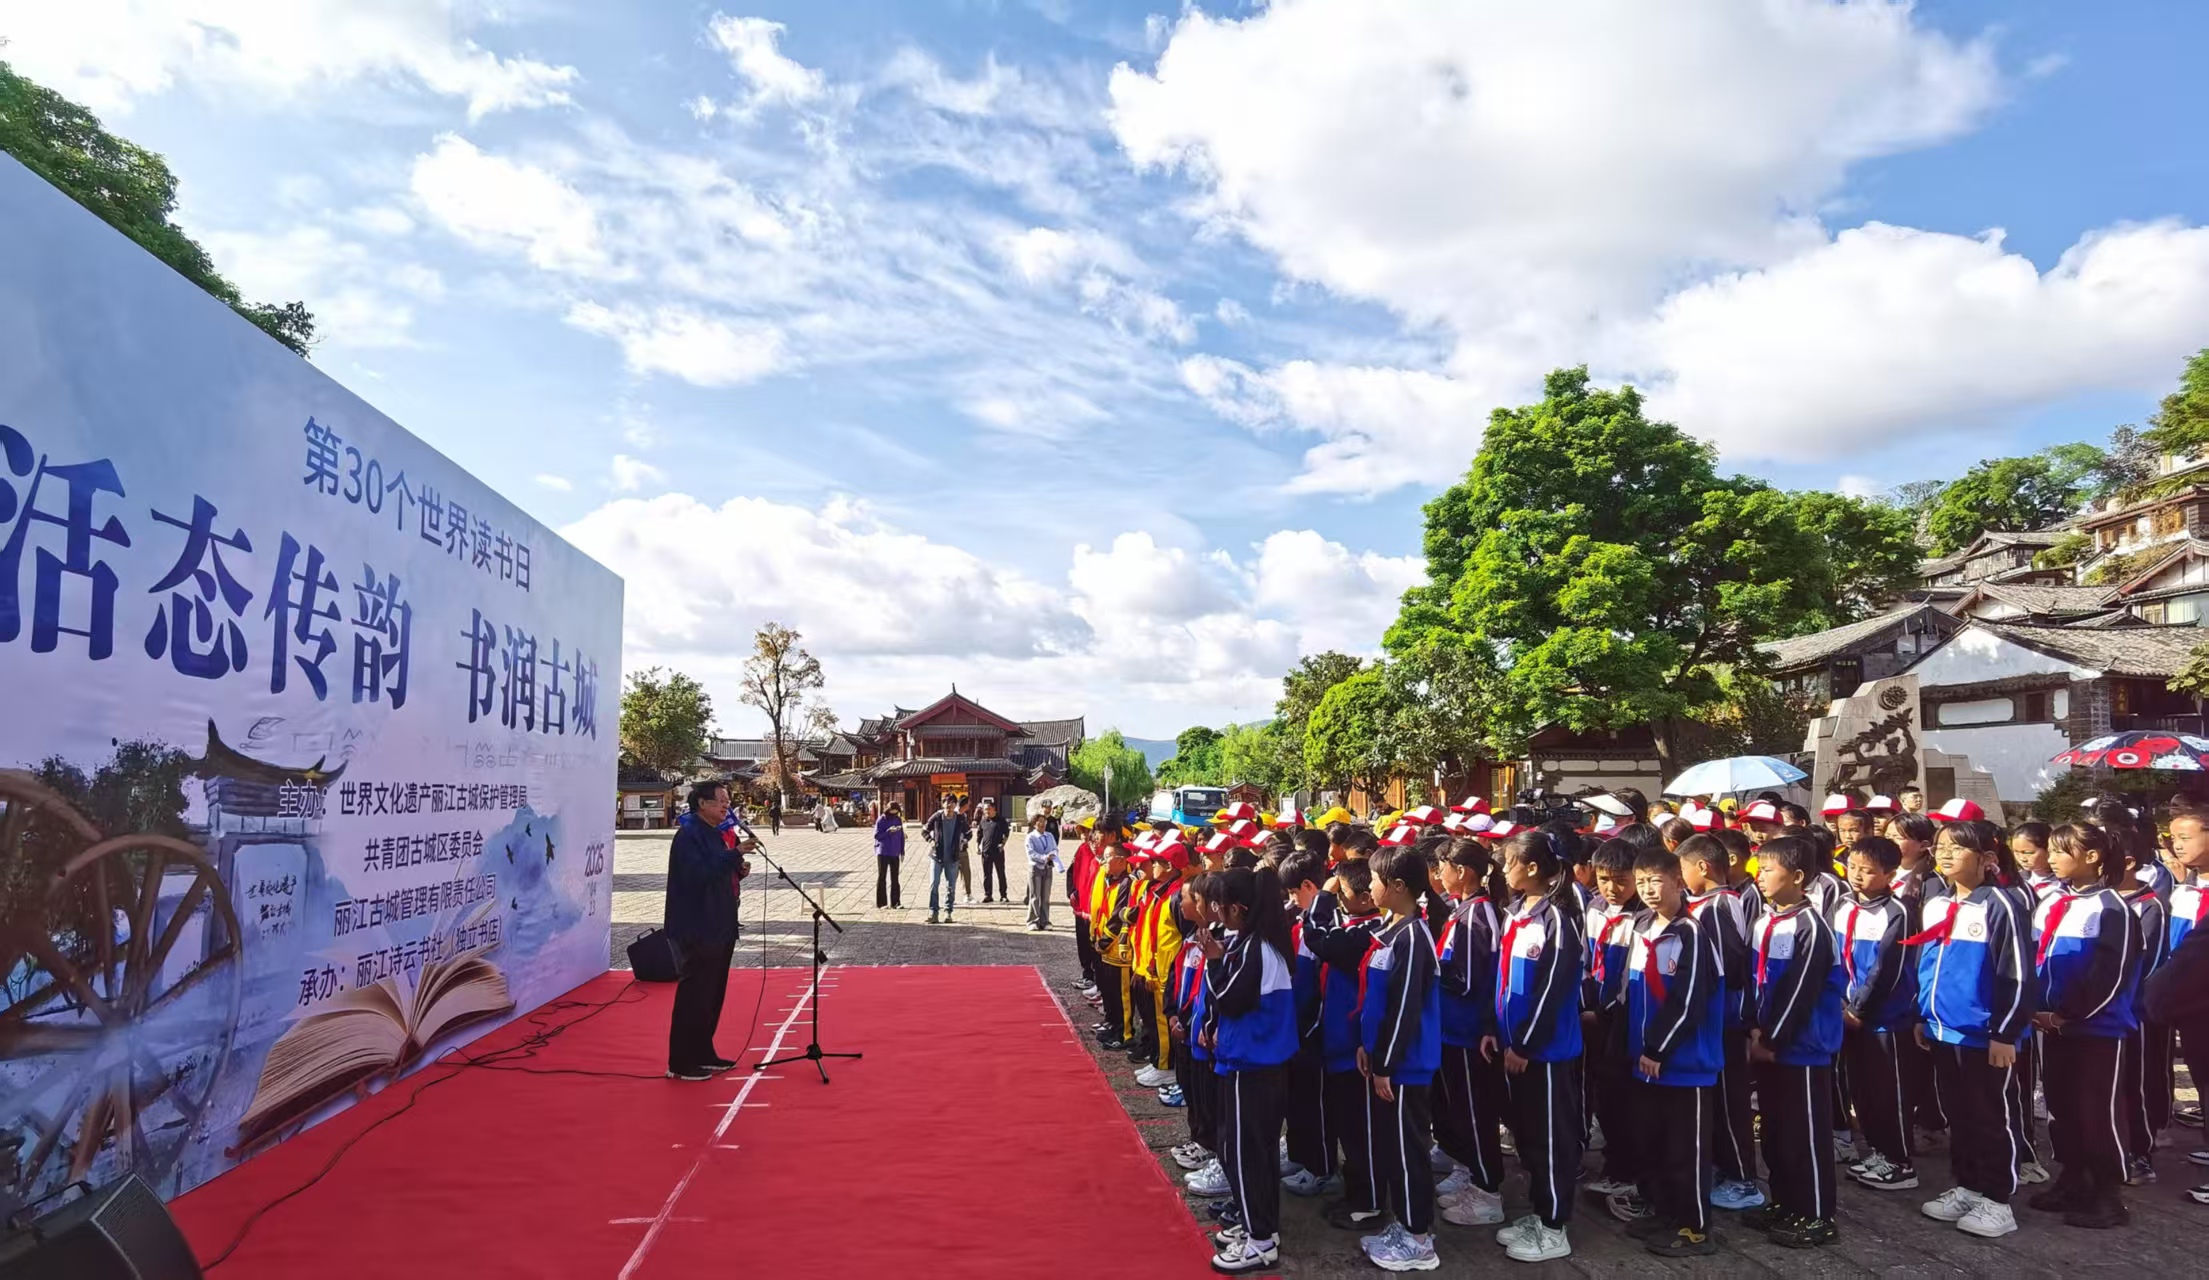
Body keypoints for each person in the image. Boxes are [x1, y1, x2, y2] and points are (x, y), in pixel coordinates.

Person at [1913, 814, 2033, 1239]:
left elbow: (2015, 973)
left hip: (1985, 1036)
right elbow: (1927, 965)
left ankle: (1999, 1198)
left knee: (1991, 1115)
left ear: (1986, 858)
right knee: (1958, 1114)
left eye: (1957, 847)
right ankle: (1967, 1184)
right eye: (1941, 845)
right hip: (1944, 1031)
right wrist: (1923, 1015)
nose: (1945, 853)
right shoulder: (1937, 903)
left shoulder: (2000, 905)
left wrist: (2004, 1032)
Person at [2030, 823, 2141, 1229]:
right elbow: (2036, 958)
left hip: (2097, 1031)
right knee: (2062, 1108)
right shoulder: (2053, 902)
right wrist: (2037, 1008)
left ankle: (2107, 1194)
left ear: (2092, 857)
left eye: (2061, 851)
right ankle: (2073, 1177)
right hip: (2052, 1026)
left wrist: (2067, 1016)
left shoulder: (2113, 910)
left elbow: (2109, 978)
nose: (2051, 857)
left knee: (2097, 1111)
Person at [1487, 831, 1584, 1264]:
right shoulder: (1515, 914)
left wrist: (1525, 1043)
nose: (1502, 870)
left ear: (1530, 868)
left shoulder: (1557, 921)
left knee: (1550, 1138)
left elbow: (1552, 988)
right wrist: (1497, 1029)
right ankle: (1539, 1212)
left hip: (1543, 1054)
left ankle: (1554, 1223)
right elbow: (1504, 980)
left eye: (1508, 862)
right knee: (1528, 1136)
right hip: (1515, 1047)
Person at [1745, 834, 1846, 1249]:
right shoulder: (1765, 921)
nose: (1761, 876)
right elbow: (1756, 983)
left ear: (1799, 876)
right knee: (1776, 1130)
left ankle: (1816, 1212)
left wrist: (1771, 1036)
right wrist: (1753, 1026)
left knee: (1806, 1132)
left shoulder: (1810, 927)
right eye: (1759, 868)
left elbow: (1801, 991)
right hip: (1768, 1044)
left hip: (1801, 1046)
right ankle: (1785, 1200)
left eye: (1769, 869)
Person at [1623, 847, 1724, 1258]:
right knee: (1658, 1143)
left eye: (1656, 880)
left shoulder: (1691, 934)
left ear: (1678, 882)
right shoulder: (1642, 926)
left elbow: (1688, 1001)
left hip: (1684, 1063)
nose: (1648, 890)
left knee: (1688, 1149)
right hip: (1648, 1062)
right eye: (1642, 881)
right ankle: (1667, 1211)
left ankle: (1696, 1226)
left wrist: (1658, 1048)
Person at [1202, 866, 1302, 1275]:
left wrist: (1212, 962)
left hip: (1255, 1065)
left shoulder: (1254, 948)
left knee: (1245, 1154)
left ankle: (1260, 1239)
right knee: (1250, 1151)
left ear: (1238, 909)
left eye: (1219, 906)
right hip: (1250, 1061)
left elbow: (1230, 998)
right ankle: (1260, 1225)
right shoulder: (1249, 943)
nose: (1215, 913)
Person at [1355, 845, 1446, 1272]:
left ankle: (1418, 1238)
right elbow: (1378, 1000)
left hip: (1405, 1067)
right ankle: (1404, 1224)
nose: (1368, 887)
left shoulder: (1413, 937)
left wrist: (1386, 1063)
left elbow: (1405, 1007)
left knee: (1410, 1152)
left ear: (1396, 886)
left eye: (1374, 880)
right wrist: (1366, 1046)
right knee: (1393, 1148)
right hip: (1387, 1062)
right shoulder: (1393, 929)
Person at [1678, 833, 1765, 1211]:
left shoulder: (1718, 907)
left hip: (1726, 1018)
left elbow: (1727, 963)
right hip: (1715, 1017)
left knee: (1731, 1102)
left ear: (1703, 866)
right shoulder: (1704, 904)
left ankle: (1744, 1178)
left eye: (1682, 869)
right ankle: (1722, 1168)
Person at [1837, 835, 1920, 1192]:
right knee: (1863, 1089)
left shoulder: (1898, 912)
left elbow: (1887, 968)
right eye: (1853, 868)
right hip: (1847, 1014)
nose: (1857, 876)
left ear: (1889, 874)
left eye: (1868, 872)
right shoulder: (1842, 905)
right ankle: (1877, 1150)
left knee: (1890, 1090)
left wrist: (1859, 1009)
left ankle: (1900, 1159)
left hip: (1886, 1018)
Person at [1431, 838, 1507, 1228]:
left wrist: (1429, 970)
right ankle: (1468, 1170)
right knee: (1458, 1109)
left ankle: (1487, 1188)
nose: (1439, 874)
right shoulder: (1463, 910)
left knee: (1476, 1113)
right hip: (1452, 1029)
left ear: (1462, 872)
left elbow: (1471, 979)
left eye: (1443, 866)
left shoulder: (1479, 915)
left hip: (1469, 1031)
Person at [664, 780, 751, 1081]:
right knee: (694, 993)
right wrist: (733, 853)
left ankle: (703, 1051)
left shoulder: (714, 834)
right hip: (696, 926)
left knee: (712, 994)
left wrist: (737, 865)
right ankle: (681, 1062)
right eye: (721, 800)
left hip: (719, 924)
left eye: (728, 800)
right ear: (702, 803)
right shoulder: (689, 834)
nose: (726, 805)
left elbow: (717, 868)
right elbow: (696, 875)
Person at [922, 794, 968, 924]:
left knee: (950, 886)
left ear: (955, 805)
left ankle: (948, 911)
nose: (950, 805)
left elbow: (968, 833)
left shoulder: (960, 818)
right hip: (937, 856)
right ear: (942, 804)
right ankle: (933, 912)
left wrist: (963, 842)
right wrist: (930, 840)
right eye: (947, 803)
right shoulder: (937, 817)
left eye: (953, 803)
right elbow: (924, 830)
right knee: (934, 884)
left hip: (953, 857)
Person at [1024, 813, 1063, 930]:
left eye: (1044, 822)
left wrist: (1053, 855)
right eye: (1040, 821)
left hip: (1048, 868)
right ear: (1035, 823)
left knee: (1045, 897)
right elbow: (1031, 854)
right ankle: (1033, 920)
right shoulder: (1031, 837)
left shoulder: (1049, 836)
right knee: (1035, 896)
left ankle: (1045, 920)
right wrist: (1044, 857)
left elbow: (1055, 848)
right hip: (1035, 868)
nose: (1042, 824)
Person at [974, 798, 1012, 904]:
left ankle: (1003, 895)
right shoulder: (983, 821)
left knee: (1001, 873)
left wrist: (1003, 844)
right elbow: (979, 834)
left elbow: (1006, 834)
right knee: (987, 874)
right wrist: (977, 846)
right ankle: (988, 895)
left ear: (994, 809)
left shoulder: (1001, 820)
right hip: (986, 852)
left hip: (998, 851)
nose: (987, 812)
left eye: (988, 809)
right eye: (985, 810)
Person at [874, 804, 905, 908]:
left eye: (896, 811)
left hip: (895, 851)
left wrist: (902, 850)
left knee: (895, 877)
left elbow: (901, 835)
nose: (894, 813)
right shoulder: (881, 820)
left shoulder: (898, 820)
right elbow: (877, 835)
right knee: (882, 876)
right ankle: (881, 903)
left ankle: (895, 902)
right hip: (883, 851)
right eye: (893, 811)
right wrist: (888, 832)